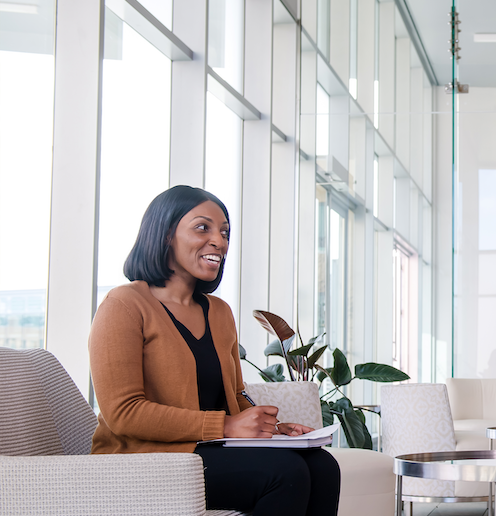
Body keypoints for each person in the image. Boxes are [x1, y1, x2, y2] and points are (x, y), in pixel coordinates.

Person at [89, 185, 341, 516]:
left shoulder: (218, 312)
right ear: (166, 234)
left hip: (204, 450)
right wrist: (224, 427)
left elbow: (234, 395)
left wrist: (270, 431)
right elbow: (124, 412)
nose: (219, 241)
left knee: (323, 467)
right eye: (202, 227)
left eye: (224, 232)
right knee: (284, 474)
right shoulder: (123, 305)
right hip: (141, 461)